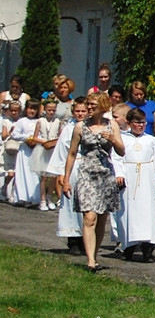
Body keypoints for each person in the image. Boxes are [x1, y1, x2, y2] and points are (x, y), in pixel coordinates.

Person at [62, 92, 126, 272]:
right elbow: (72, 153)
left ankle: (94, 254)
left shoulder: (111, 125)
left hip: (105, 175)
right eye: (88, 104)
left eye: (93, 104)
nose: (89, 108)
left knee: (101, 219)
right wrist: (66, 179)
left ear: (103, 105)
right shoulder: (80, 127)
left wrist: (112, 139)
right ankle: (90, 261)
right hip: (87, 174)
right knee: (89, 217)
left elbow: (122, 151)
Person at [114, 108, 155, 261]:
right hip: (129, 179)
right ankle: (129, 246)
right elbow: (117, 159)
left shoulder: (151, 140)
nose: (141, 125)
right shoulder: (122, 139)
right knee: (129, 212)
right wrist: (119, 174)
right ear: (129, 123)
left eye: (143, 122)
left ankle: (148, 248)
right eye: (137, 122)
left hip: (147, 178)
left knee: (148, 213)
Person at [53, 97, 88, 254]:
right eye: (78, 111)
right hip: (72, 167)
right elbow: (62, 150)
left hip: (88, 167)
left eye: (83, 111)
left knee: (87, 204)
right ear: (73, 112)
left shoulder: (92, 127)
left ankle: (85, 240)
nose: (80, 114)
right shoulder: (68, 128)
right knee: (70, 203)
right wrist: (61, 173)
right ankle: (73, 239)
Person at [33, 98, 63, 210]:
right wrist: (44, 141)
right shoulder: (40, 121)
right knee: (44, 177)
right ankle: (42, 199)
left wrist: (54, 142)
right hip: (42, 149)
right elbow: (35, 137)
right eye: (49, 110)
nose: (51, 112)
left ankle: (50, 197)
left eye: (53, 110)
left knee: (54, 176)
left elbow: (60, 136)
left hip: (53, 149)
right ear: (45, 109)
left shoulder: (58, 121)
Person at [11, 99, 41, 206]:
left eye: (34, 109)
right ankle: (21, 196)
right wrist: (27, 138)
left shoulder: (40, 121)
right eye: (30, 108)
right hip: (24, 150)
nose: (32, 111)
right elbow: (14, 134)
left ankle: (35, 197)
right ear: (26, 109)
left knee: (34, 173)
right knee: (22, 172)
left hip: (36, 149)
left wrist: (36, 140)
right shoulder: (21, 121)